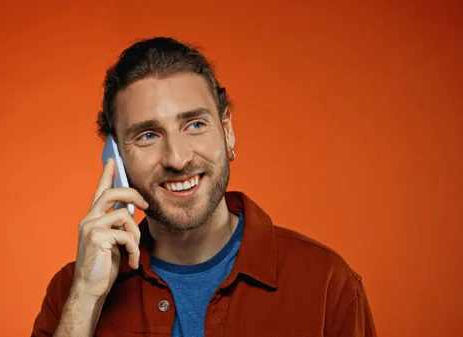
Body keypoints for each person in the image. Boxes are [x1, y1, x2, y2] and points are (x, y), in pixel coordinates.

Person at [30, 37, 377, 337]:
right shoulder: (72, 291)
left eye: (194, 124)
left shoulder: (327, 283)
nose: (178, 159)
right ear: (115, 156)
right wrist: (87, 299)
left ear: (226, 130)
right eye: (148, 135)